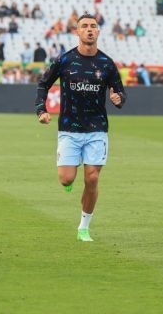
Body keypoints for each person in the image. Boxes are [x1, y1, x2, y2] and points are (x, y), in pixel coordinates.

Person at [34, 14, 126, 242]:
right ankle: (68, 182)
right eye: (84, 26)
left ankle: (84, 227)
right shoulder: (65, 61)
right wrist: (41, 110)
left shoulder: (106, 64)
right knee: (66, 179)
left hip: (97, 129)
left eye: (93, 26)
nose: (89, 30)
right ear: (77, 32)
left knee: (92, 179)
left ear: (98, 31)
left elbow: (120, 92)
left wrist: (119, 99)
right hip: (69, 128)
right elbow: (43, 84)